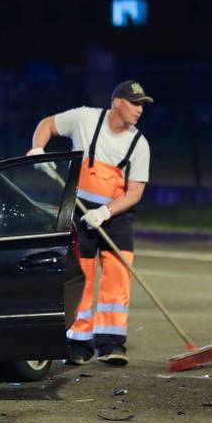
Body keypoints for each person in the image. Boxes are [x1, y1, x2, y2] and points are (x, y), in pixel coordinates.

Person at [28, 80, 152, 366]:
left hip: (115, 216)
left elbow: (134, 193)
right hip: (79, 211)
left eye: (142, 104)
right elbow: (46, 124)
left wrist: (106, 212)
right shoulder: (84, 118)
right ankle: (78, 342)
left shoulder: (139, 144)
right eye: (135, 103)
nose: (139, 110)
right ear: (117, 102)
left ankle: (111, 343)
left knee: (118, 276)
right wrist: (37, 149)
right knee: (80, 276)